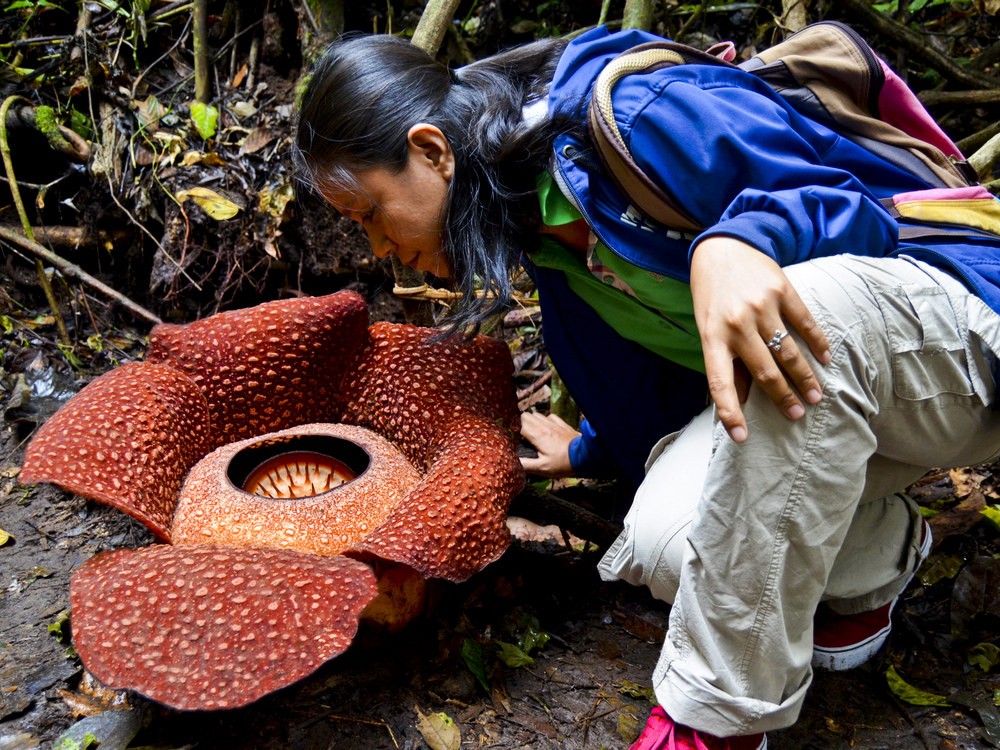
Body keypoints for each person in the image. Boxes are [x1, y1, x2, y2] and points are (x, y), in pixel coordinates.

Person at [294, 25, 1000, 750]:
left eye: (370, 214)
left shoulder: (638, 109)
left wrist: (742, 238)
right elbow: (657, 359)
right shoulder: (535, 224)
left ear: (432, 151)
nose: (379, 249)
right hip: (828, 405)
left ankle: (714, 725)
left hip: (955, 329)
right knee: (665, 542)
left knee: (803, 307)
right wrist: (594, 448)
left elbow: (851, 203)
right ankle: (879, 556)